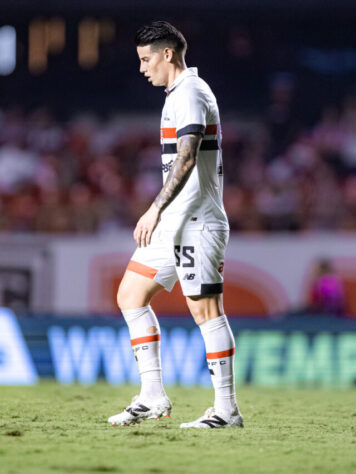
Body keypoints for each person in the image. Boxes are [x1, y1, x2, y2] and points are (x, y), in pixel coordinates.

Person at [108, 21, 243, 429]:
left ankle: (226, 410)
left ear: (168, 54)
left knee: (205, 311)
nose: (142, 68)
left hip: (197, 223)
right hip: (175, 222)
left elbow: (186, 158)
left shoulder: (190, 94)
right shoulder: (177, 95)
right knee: (131, 295)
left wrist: (153, 208)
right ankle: (152, 396)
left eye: (146, 59)